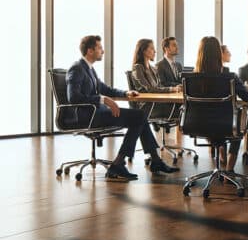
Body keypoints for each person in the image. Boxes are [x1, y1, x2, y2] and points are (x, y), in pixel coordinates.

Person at [66, 35, 178, 180]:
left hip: (97, 113)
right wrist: (102, 99)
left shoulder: (89, 69)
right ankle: (122, 163)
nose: (103, 51)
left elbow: (105, 88)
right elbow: (73, 98)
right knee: (139, 116)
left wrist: (125, 93)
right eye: (99, 48)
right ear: (90, 51)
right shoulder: (76, 69)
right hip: (88, 116)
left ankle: (152, 161)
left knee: (139, 117)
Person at [194, 36, 248, 172]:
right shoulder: (229, 76)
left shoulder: (191, 78)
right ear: (218, 54)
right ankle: (229, 169)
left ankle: (222, 161)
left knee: (217, 124)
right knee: (236, 126)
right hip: (225, 124)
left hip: (197, 123)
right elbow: (247, 97)